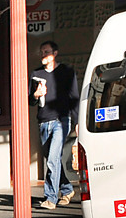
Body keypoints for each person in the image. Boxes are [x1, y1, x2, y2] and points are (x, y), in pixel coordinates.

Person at [30, 40, 78, 209]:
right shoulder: (36, 73)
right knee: (53, 158)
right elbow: (30, 100)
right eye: (42, 52)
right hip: (43, 121)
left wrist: (77, 122)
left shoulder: (66, 72)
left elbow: (74, 98)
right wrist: (36, 94)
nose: (43, 55)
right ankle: (67, 189)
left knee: (52, 160)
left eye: (46, 52)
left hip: (61, 120)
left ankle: (50, 198)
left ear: (55, 54)